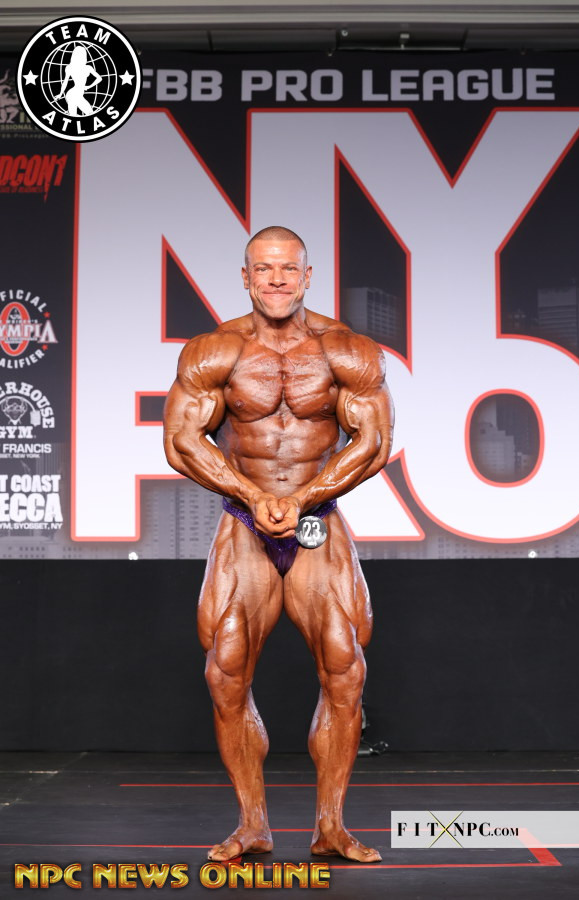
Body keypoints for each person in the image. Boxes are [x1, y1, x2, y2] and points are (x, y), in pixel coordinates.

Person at [164, 225, 394, 863]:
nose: (276, 280)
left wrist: (304, 498)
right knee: (226, 668)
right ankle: (252, 824)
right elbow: (182, 441)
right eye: (263, 269)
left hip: (317, 520)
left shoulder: (346, 350)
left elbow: (374, 442)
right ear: (246, 277)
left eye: (287, 269)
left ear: (307, 276)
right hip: (245, 521)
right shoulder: (216, 351)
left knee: (345, 667)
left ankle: (331, 827)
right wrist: (251, 492)